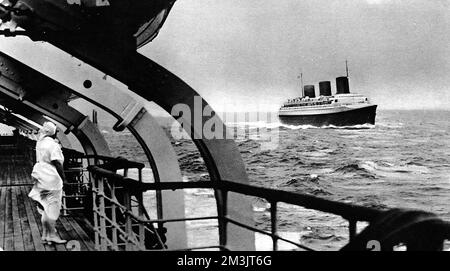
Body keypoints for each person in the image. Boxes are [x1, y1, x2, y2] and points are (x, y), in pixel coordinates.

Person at [28, 121, 67, 245]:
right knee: (53, 209)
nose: (58, 132)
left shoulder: (40, 142)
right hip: (51, 179)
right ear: (52, 132)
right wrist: (64, 179)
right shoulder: (53, 145)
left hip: (41, 177)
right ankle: (52, 235)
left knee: (45, 209)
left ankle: (45, 235)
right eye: (56, 130)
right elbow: (57, 163)